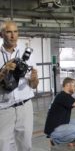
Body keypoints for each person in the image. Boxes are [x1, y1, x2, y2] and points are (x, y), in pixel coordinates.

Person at [0, 21, 39, 151]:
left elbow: (33, 85)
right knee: (3, 146)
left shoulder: (27, 54)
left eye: (15, 32)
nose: (13, 36)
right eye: (9, 32)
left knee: (26, 145)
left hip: (25, 107)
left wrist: (34, 79)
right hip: (4, 108)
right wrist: (4, 71)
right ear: (1, 34)